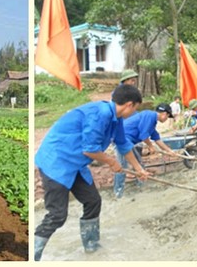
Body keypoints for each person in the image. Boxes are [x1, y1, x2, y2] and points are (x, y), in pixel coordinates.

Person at [35, 85, 149, 259]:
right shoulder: (100, 114)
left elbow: (123, 144)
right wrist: (112, 162)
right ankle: (34, 253)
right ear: (129, 104)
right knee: (57, 215)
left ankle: (91, 246)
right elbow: (89, 150)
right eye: (135, 109)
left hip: (76, 165)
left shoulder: (115, 119)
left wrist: (139, 169)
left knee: (93, 201)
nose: (134, 113)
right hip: (57, 162)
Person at [113, 103, 176, 198]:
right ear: (164, 113)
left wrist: (169, 151)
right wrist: (150, 146)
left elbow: (157, 139)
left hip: (128, 141)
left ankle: (141, 188)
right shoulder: (149, 116)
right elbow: (144, 135)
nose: (167, 119)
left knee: (139, 165)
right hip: (121, 139)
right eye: (168, 116)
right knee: (122, 167)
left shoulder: (152, 121)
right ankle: (117, 194)